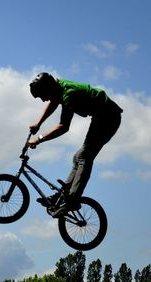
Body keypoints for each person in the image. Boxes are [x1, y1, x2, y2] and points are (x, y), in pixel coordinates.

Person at [28, 72, 123, 217]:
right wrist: (38, 123)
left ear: (49, 88)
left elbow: (63, 127)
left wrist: (39, 139)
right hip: (101, 117)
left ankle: (72, 199)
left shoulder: (69, 93)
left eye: (42, 95)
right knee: (77, 156)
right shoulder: (58, 89)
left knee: (85, 155)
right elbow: (53, 103)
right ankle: (63, 195)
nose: (43, 99)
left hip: (108, 117)